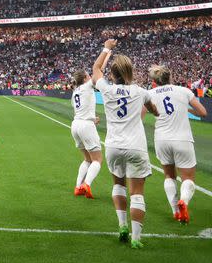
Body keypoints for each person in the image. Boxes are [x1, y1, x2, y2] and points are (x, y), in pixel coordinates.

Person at [92, 39, 158, 249]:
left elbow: (95, 69)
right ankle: (136, 239)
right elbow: (154, 109)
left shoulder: (107, 89)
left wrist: (107, 48)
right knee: (137, 192)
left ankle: (122, 226)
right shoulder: (140, 91)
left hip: (113, 146)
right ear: (130, 72)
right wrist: (151, 112)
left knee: (118, 185)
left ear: (112, 74)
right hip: (136, 146)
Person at [148, 65, 207, 223]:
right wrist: (188, 111)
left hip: (161, 139)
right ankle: (184, 202)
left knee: (169, 175)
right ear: (170, 77)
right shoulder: (184, 91)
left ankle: (175, 211)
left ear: (155, 81)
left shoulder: (149, 94)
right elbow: (203, 112)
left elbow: (140, 114)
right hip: (182, 139)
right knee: (188, 178)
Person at [70, 70, 104, 198]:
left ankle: (78, 187)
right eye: (88, 75)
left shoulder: (75, 92)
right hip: (85, 125)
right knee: (97, 160)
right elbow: (98, 70)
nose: (90, 76)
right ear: (85, 78)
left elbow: (78, 111)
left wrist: (93, 119)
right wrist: (107, 52)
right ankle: (86, 184)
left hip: (76, 125)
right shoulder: (87, 85)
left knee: (87, 159)